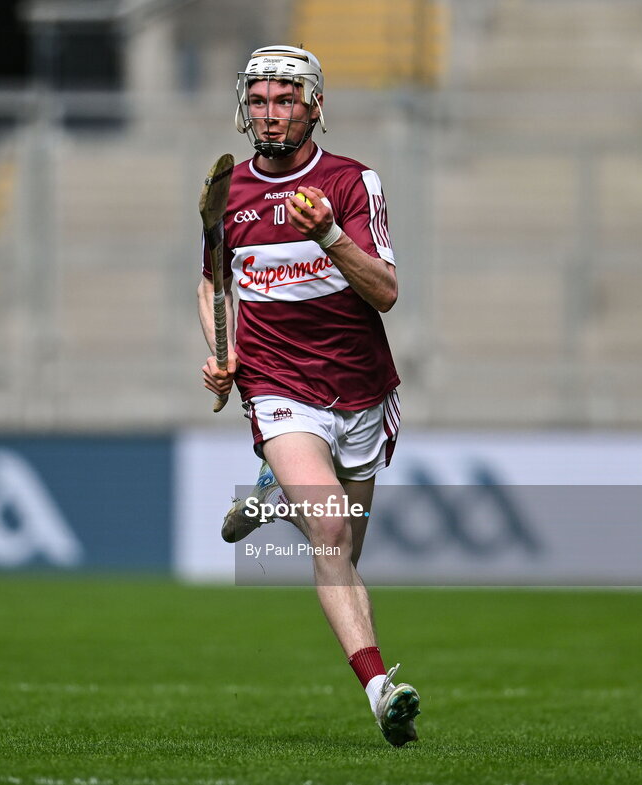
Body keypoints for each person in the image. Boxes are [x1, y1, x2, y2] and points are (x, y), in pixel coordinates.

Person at [196, 45, 420, 747]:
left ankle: (269, 500)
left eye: (284, 100)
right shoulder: (227, 195)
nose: (269, 114)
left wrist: (325, 233)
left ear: (314, 106)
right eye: (259, 101)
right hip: (278, 384)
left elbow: (384, 292)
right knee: (328, 533)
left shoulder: (354, 183)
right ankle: (382, 690)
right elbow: (212, 284)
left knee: (343, 543)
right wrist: (223, 350)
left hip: (360, 388)